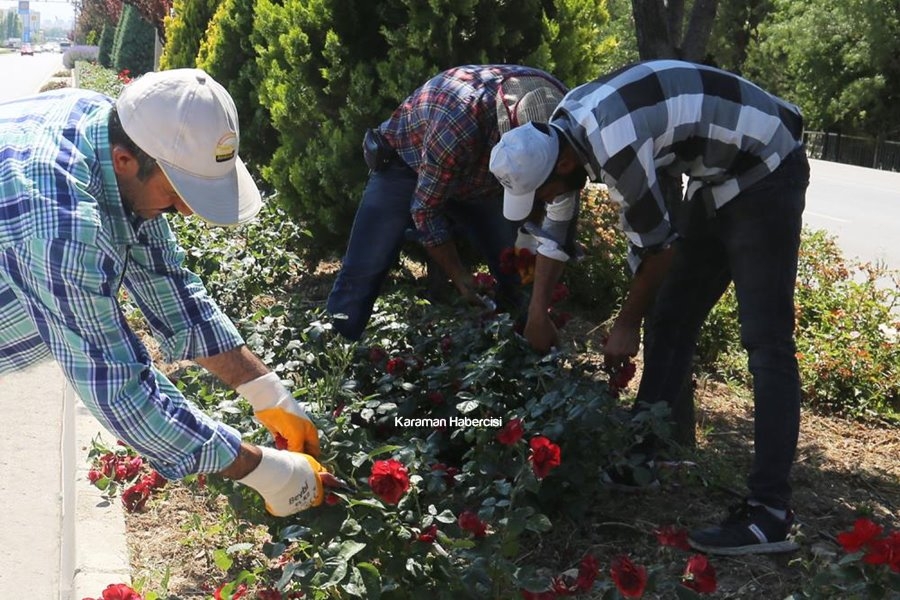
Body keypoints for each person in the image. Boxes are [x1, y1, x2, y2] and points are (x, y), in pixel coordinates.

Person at [489, 59, 809, 555]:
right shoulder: (562, 131)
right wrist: (537, 314)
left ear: (564, 165)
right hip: (718, 176)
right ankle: (644, 460)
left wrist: (625, 323)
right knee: (673, 318)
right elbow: (555, 226)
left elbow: (659, 248)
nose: (542, 200)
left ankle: (769, 512)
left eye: (541, 191)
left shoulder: (612, 147)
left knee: (766, 342)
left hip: (766, 165)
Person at [0, 68, 341, 517]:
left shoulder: (108, 127)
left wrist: (267, 392)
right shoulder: (61, 225)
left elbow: (170, 286)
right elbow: (119, 387)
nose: (184, 209)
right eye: (178, 191)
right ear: (125, 161)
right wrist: (264, 470)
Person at [326, 64, 575, 341]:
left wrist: (536, 237)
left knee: (517, 267)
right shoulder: (459, 122)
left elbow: (559, 199)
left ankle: (524, 349)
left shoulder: (560, 110)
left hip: (480, 179)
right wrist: (459, 275)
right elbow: (426, 210)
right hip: (408, 163)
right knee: (366, 263)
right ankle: (337, 350)